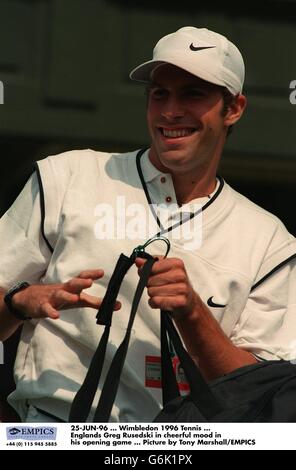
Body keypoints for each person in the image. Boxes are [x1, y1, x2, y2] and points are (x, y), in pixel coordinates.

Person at [0, 26, 296, 423]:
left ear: (234, 108)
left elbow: (264, 397)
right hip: (50, 433)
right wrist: (17, 302)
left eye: (193, 93)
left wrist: (193, 314)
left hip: (182, 445)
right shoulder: (65, 177)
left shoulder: (269, 241)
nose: (171, 111)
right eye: (160, 93)